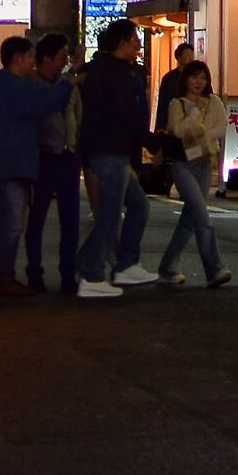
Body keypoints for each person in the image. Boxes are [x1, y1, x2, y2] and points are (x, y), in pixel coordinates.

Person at [0, 34, 73, 297]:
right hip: (9, 166)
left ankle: (4, 276)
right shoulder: (13, 85)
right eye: (30, 56)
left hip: (7, 166)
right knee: (12, 224)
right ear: (17, 59)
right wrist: (69, 82)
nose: (33, 62)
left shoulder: (7, 84)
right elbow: (43, 103)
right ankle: (0, 278)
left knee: (13, 223)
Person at [76, 16, 160, 298]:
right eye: (135, 40)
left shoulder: (99, 70)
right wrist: (151, 142)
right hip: (111, 151)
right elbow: (127, 115)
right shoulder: (119, 74)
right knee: (111, 215)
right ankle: (92, 273)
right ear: (123, 43)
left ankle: (125, 264)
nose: (138, 45)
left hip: (108, 150)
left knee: (137, 206)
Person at [158, 60, 231, 289]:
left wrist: (198, 132)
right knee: (201, 214)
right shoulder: (177, 104)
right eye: (194, 77)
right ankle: (214, 268)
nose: (199, 82)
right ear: (186, 80)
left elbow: (223, 127)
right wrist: (193, 114)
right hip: (183, 164)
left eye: (203, 77)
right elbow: (177, 130)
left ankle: (167, 268)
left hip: (205, 164)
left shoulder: (214, 101)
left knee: (189, 219)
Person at [25, 34, 82, 297]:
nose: (63, 62)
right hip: (44, 156)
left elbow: (77, 116)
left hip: (68, 155)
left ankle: (68, 274)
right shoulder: (33, 84)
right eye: (60, 57)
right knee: (37, 218)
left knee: (70, 220)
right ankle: (35, 273)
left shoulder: (66, 83)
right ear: (46, 59)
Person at [153, 41, 195, 134]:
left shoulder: (197, 77)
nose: (191, 58)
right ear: (179, 58)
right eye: (187, 55)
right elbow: (163, 103)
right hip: (173, 122)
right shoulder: (169, 78)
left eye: (192, 55)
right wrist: (160, 126)